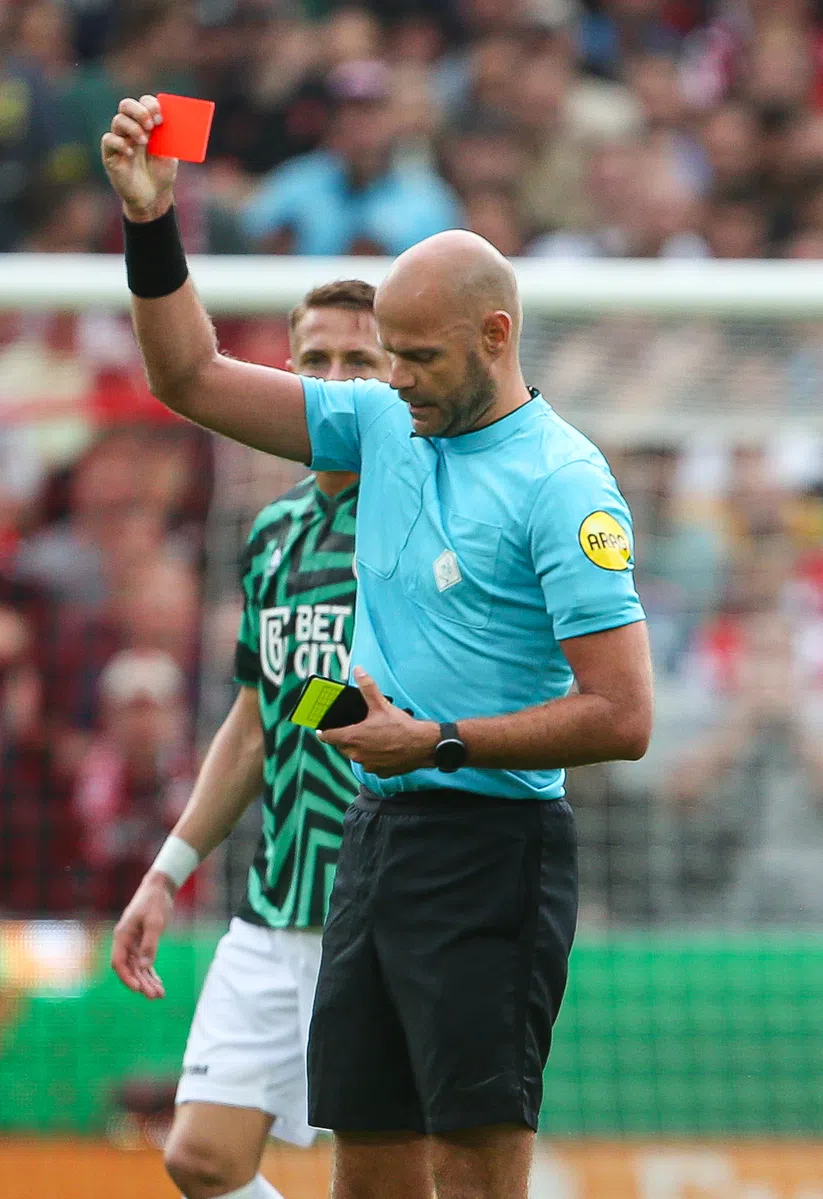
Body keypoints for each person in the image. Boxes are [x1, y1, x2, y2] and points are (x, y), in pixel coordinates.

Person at [102, 97, 654, 1199]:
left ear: (494, 337)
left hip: (493, 850)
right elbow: (187, 378)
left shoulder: (561, 482)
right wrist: (151, 225)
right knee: (369, 1165)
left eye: (414, 356)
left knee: (474, 1171)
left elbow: (623, 715)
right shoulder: (378, 423)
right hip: (375, 838)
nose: (389, 377)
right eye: (382, 356)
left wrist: (438, 739)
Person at [110, 278, 395, 1199]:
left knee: (388, 1177)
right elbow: (252, 718)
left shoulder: (414, 519)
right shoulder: (272, 533)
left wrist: (309, 702)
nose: (336, 378)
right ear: (287, 370)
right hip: (275, 903)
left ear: (396, 375)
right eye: (316, 359)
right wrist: (167, 869)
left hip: (383, 903)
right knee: (199, 1158)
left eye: (360, 359)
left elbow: (369, 702)